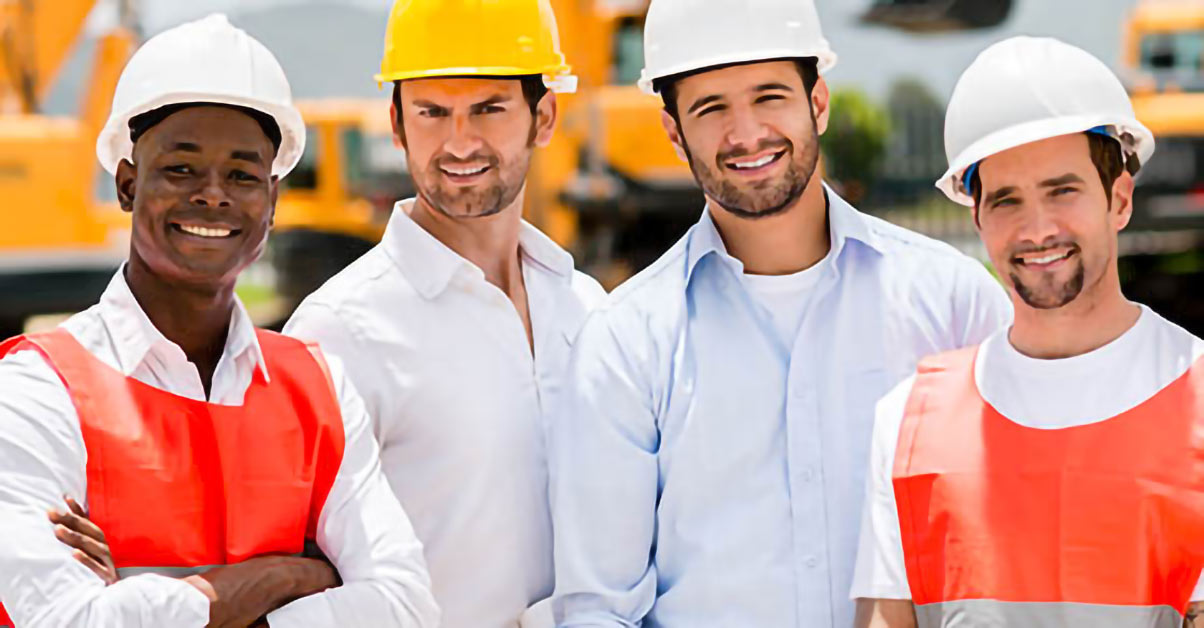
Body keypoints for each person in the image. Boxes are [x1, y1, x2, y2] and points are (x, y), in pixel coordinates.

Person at [547, 0, 1011, 626]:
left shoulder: (953, 303)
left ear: (818, 101)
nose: (746, 134)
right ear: (674, 131)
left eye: (770, 96)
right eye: (711, 108)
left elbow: (1013, 542)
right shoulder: (626, 344)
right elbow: (599, 608)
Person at [0, 15, 438, 628]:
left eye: (242, 174)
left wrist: (141, 592)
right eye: (180, 169)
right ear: (128, 184)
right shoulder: (34, 390)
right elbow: (69, 621)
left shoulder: (319, 390)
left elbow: (405, 605)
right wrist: (289, 575)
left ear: (273, 200)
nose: (212, 194)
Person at [851, 36, 1204, 628]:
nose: (1037, 228)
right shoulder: (907, 424)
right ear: (978, 218)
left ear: (1118, 200)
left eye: (1062, 190)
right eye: (1008, 199)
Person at [282, 1, 604, 626]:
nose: (460, 141)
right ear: (397, 125)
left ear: (543, 117)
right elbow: (301, 582)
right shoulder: (339, 333)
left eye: (488, 108)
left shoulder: (588, 310)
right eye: (433, 112)